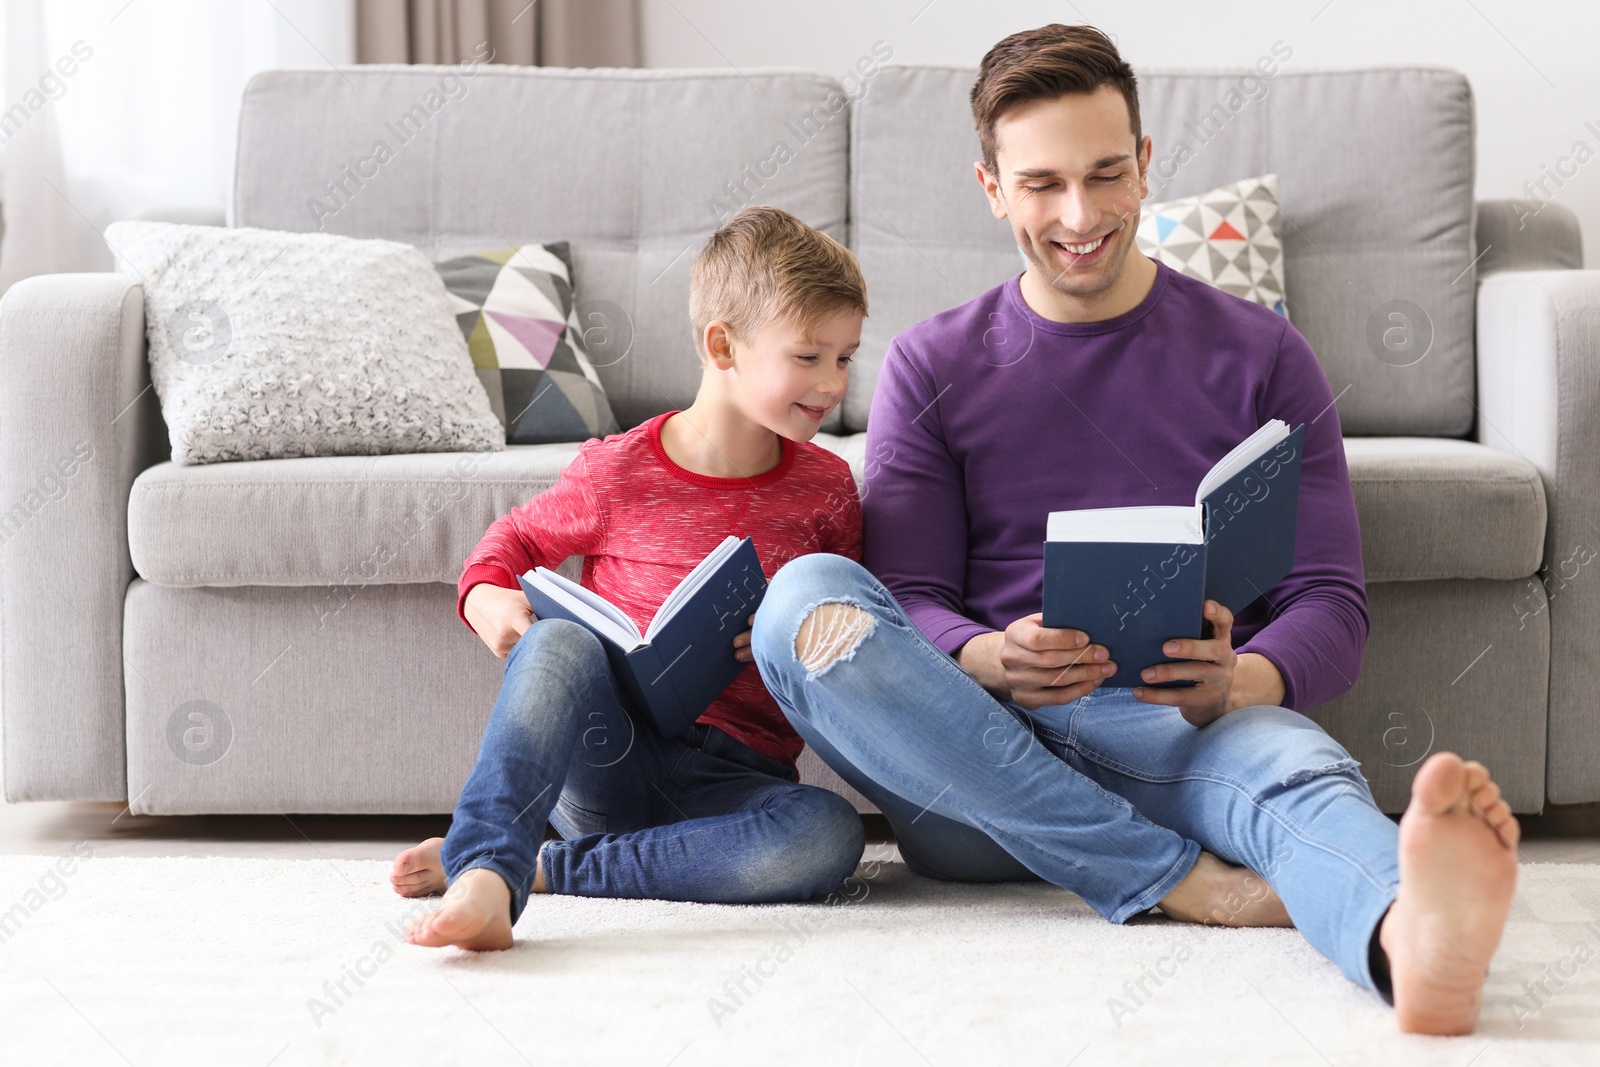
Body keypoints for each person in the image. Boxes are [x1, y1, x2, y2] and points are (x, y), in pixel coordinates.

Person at [750, 24, 1518, 1035]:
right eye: (1041, 184)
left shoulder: (1262, 355)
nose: (1079, 215)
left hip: (1180, 733)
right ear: (990, 188)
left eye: (1106, 174)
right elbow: (912, 599)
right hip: (975, 767)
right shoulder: (932, 364)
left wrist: (1239, 680)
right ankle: (1171, 877)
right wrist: (990, 654)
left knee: (1293, 770)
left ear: (1146, 166)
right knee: (802, 601)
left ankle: (1404, 939)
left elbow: (1330, 601)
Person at [392, 205, 875, 950]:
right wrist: (486, 592)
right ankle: (487, 869)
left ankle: (550, 866)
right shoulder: (618, 469)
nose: (833, 383)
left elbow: (853, 620)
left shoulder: (828, 487)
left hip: (736, 781)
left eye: (845, 358)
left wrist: (802, 635)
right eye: (809, 357)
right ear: (723, 346)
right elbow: (513, 540)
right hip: (607, 759)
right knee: (560, 643)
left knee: (828, 834)